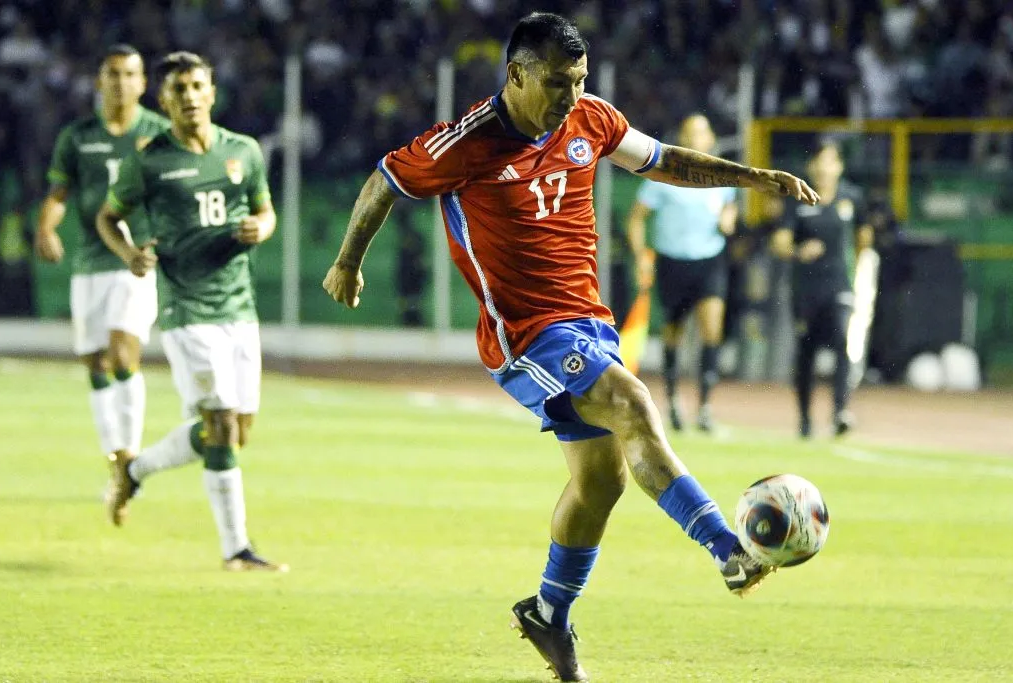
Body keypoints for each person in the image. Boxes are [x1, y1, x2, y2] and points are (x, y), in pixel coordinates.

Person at [323, 13, 818, 681]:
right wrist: (348, 262)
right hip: (525, 331)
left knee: (602, 480)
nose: (572, 97)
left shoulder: (591, 120)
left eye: (581, 81)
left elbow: (664, 159)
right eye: (558, 82)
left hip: (588, 320)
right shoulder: (465, 143)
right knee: (635, 403)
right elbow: (385, 180)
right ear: (517, 74)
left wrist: (753, 177)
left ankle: (548, 613)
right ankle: (727, 548)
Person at [95, 51, 286, 572]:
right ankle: (237, 550)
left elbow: (265, 210)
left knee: (232, 433)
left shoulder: (242, 151)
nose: (190, 96)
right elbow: (108, 218)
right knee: (220, 425)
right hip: (187, 309)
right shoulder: (148, 160)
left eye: (197, 85)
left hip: (239, 308)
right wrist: (130, 254)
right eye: (178, 89)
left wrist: (261, 229)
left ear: (212, 91)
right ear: (164, 100)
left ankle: (133, 472)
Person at [35, 44, 170, 476]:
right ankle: (115, 457)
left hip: (134, 261)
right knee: (95, 363)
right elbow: (59, 195)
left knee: (122, 354)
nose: (121, 82)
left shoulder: (159, 133)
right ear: (99, 81)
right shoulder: (77, 137)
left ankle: (129, 456)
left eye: (130, 74)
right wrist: (46, 228)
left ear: (143, 83)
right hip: (90, 262)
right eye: (113, 74)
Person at [626, 114, 738, 433]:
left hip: (710, 261)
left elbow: (730, 208)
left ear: (711, 138)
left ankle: (704, 407)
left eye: (702, 133)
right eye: (690, 133)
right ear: (682, 139)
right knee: (673, 332)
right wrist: (640, 257)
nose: (696, 139)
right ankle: (673, 401)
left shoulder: (720, 176)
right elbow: (636, 218)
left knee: (712, 330)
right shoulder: (663, 176)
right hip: (672, 262)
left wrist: (729, 219)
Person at [770, 141, 873, 438]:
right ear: (812, 167)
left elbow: (864, 236)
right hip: (805, 287)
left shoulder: (852, 197)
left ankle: (841, 410)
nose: (825, 169)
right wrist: (798, 251)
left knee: (842, 342)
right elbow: (779, 242)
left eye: (831, 162)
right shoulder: (797, 199)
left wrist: (854, 263)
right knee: (807, 352)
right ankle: (804, 418)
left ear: (839, 166)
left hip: (840, 284)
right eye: (819, 162)